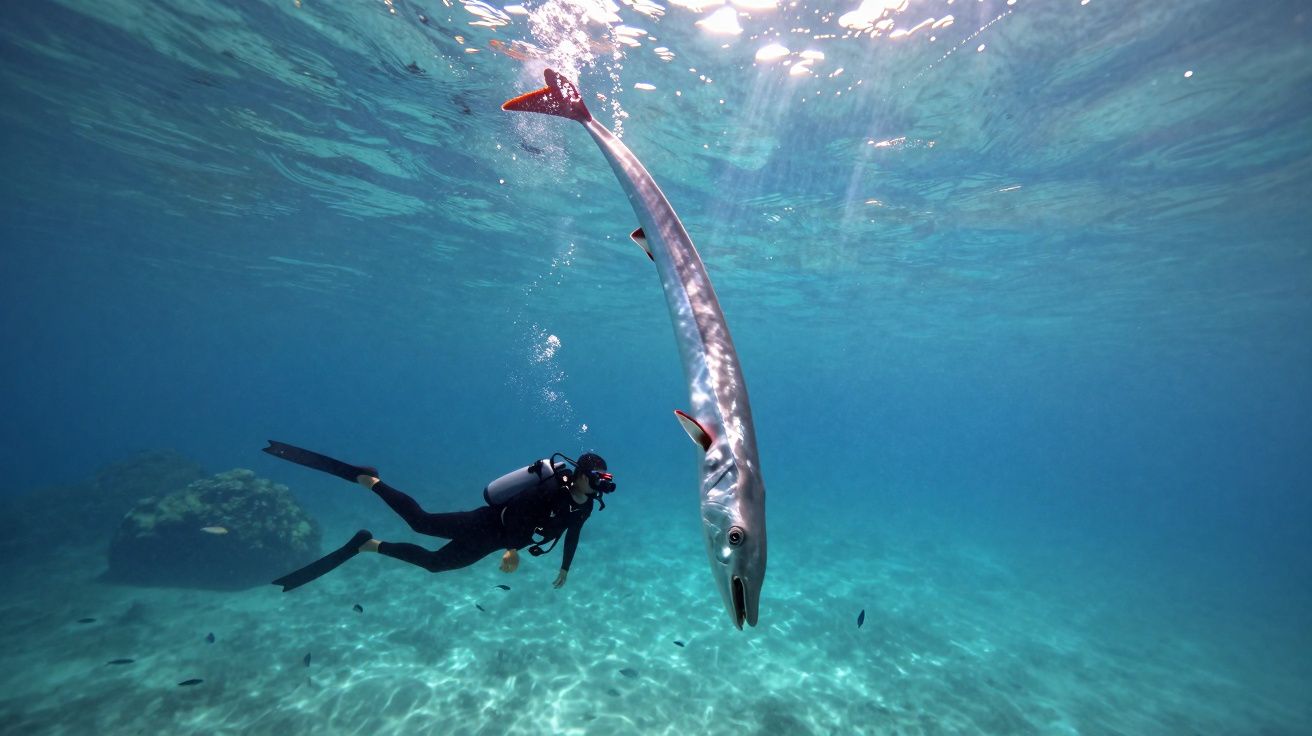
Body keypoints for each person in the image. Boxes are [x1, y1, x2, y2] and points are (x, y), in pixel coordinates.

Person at [262, 441, 614, 592]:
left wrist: (565, 566)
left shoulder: (583, 505)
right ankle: (370, 480)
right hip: (487, 525)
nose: (598, 486)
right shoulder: (551, 490)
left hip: (493, 543)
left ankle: (368, 545)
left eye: (603, 482)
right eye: (594, 479)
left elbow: (573, 533)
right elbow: (519, 515)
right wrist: (512, 548)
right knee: (421, 522)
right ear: (580, 474)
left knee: (435, 565)